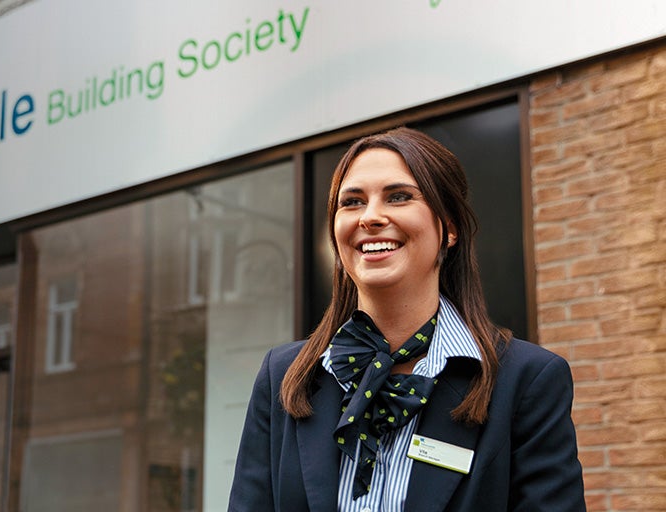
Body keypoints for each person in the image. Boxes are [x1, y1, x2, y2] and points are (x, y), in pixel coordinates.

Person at [227, 127, 585, 511]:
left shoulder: (529, 381)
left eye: (398, 197)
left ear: (449, 227)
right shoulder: (283, 375)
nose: (371, 217)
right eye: (352, 202)